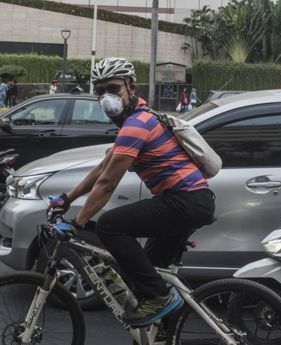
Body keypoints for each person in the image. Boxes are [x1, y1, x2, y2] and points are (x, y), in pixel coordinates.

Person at [47, 57, 215, 328]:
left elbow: (108, 184)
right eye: (100, 91)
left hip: (185, 201)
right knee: (145, 275)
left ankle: (160, 297)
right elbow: (103, 170)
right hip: (187, 201)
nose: (105, 97)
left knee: (111, 226)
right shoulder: (137, 119)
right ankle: (168, 342)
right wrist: (67, 198)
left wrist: (77, 224)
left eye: (113, 89)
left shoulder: (137, 124)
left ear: (131, 87)